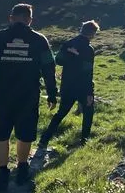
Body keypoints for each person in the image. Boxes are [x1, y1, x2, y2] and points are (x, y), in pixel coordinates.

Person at [0, 3, 56, 191]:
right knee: (25, 134)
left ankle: (2, 174)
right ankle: (22, 168)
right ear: (30, 20)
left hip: (0, 94)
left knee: (2, 134)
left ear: (11, 18)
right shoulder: (39, 40)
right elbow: (49, 68)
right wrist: (52, 93)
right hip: (28, 95)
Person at [38, 20, 99, 148]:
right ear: (92, 34)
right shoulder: (88, 49)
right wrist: (89, 92)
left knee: (61, 113)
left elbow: (58, 60)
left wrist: (71, 55)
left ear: (81, 30)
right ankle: (84, 140)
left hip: (67, 85)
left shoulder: (68, 44)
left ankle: (45, 138)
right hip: (82, 86)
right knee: (88, 112)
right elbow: (88, 71)